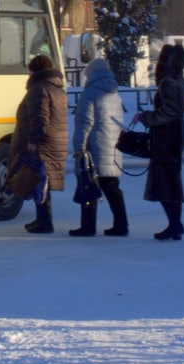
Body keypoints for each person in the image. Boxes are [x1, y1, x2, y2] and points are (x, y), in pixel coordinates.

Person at [131, 43, 184, 240]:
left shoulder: (167, 83)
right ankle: (175, 224)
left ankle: (175, 224)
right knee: (172, 179)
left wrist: (148, 117)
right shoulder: (179, 81)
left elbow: (169, 112)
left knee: (163, 181)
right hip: (177, 134)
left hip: (167, 136)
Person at [68, 57, 129, 237]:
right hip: (113, 145)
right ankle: (121, 224)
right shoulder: (114, 94)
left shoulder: (90, 94)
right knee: (112, 187)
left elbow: (85, 123)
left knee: (89, 185)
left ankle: (87, 226)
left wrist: (79, 146)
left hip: (94, 146)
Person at [9, 53, 68, 234]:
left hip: (42, 143)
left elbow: (39, 118)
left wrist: (33, 141)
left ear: (35, 70)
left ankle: (44, 221)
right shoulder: (57, 89)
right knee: (42, 182)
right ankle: (42, 219)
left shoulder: (39, 89)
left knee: (37, 179)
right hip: (56, 141)